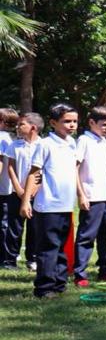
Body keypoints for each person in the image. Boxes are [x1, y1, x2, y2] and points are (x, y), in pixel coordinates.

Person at [21, 104, 79, 298]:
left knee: (61, 247)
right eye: (66, 121)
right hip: (47, 206)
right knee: (48, 249)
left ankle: (59, 284)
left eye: (74, 121)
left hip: (65, 204)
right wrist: (26, 201)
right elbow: (34, 173)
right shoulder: (45, 144)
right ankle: (44, 288)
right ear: (53, 123)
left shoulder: (72, 143)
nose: (71, 125)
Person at [73, 106, 106, 284]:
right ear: (92, 122)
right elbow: (74, 168)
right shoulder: (84, 140)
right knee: (86, 236)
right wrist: (81, 194)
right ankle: (80, 274)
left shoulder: (104, 142)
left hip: (105, 196)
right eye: (104, 124)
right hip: (91, 196)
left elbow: (105, 173)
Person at [5, 113, 41, 270]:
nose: (18, 127)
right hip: (17, 193)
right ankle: (10, 260)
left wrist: (33, 190)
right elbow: (11, 167)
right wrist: (18, 188)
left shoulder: (43, 145)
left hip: (37, 194)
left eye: (21, 125)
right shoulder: (15, 145)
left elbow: (43, 170)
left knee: (35, 227)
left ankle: (32, 259)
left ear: (33, 127)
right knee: (14, 227)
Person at [0, 107, 17, 266]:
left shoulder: (2, 137)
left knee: (4, 223)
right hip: (6, 188)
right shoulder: (8, 138)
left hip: (3, 189)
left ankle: (5, 257)